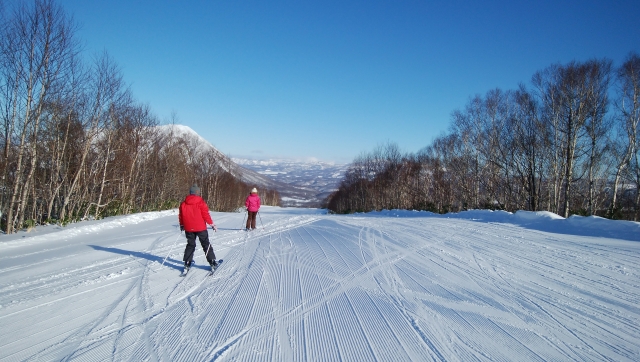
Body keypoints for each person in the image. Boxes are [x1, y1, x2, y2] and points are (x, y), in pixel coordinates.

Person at [179, 184, 218, 273]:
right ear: (197, 192)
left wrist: (182, 225)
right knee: (205, 244)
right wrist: (212, 224)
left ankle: (187, 263)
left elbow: (181, 216)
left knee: (190, 245)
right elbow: (205, 215)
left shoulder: (183, 204)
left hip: (188, 228)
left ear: (190, 193)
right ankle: (212, 262)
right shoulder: (201, 202)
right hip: (200, 228)